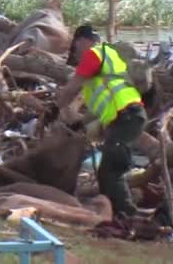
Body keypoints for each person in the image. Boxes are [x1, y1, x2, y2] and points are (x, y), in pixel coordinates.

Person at [56, 25, 147, 217]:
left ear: (82, 40)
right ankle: (115, 213)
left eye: (75, 47)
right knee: (107, 170)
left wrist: (55, 109)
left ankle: (128, 215)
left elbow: (71, 88)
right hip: (127, 116)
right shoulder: (108, 58)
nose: (76, 53)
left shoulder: (93, 54)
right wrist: (79, 124)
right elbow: (100, 107)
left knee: (111, 169)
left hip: (127, 116)